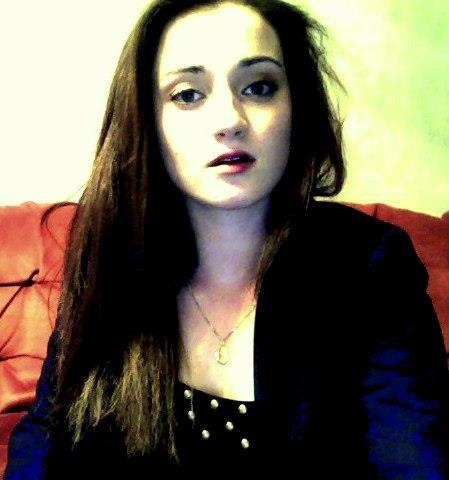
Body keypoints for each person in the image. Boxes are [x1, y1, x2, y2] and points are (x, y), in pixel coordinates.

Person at [5, 0, 449, 477]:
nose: (229, 120)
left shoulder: (368, 263)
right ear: (147, 123)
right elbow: (47, 434)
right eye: (187, 95)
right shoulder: (111, 259)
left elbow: (413, 452)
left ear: (296, 108)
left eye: (259, 87)